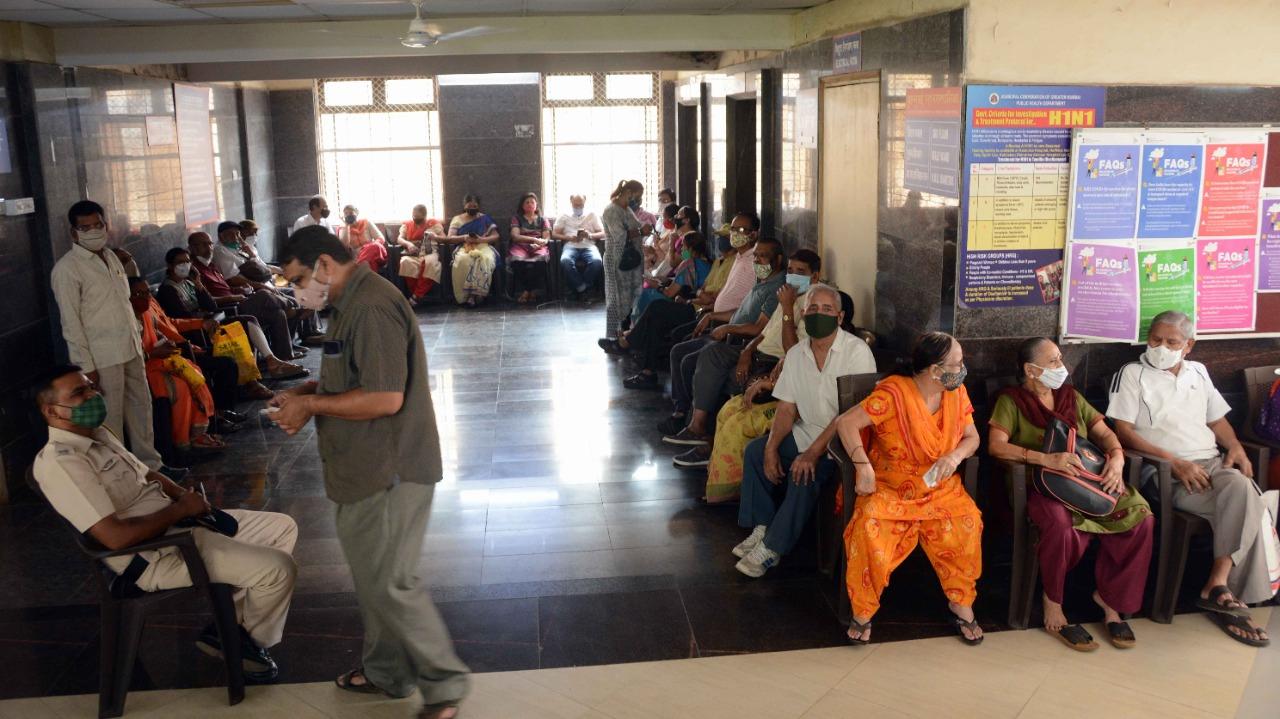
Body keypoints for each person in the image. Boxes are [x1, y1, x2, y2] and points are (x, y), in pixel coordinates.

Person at [270, 226, 469, 718]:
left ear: (323, 265)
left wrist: (312, 404)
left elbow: (385, 397)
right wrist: (309, 390)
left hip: (390, 468)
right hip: (362, 467)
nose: (298, 293)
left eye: (297, 280)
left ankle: (445, 689)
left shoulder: (370, 306)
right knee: (373, 577)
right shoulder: (348, 303)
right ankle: (387, 672)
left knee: (392, 582)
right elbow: (356, 376)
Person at [32, 366, 298, 683]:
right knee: (278, 568)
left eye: (91, 388)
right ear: (52, 410)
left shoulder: (98, 435)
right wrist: (178, 512)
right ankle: (246, 643)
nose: (93, 396)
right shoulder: (62, 462)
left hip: (180, 525)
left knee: (282, 527)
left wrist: (185, 498)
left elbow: (145, 474)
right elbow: (115, 538)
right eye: (79, 393)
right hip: (154, 556)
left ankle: (232, 631)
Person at [1108, 310, 1274, 646]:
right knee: (1249, 503)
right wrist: (1176, 463)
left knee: (1240, 487)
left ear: (1189, 346)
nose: (1161, 347)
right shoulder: (1132, 373)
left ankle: (1218, 582)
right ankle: (1232, 595)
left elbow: (1218, 421)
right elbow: (1123, 432)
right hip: (1167, 473)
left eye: (1171, 342)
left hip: (1211, 465)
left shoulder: (1199, 372)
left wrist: (1236, 447)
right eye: (1156, 339)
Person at [988, 337, 1153, 651]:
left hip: (1088, 481)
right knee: (1060, 526)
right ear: (1030, 370)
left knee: (1140, 515)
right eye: (1052, 361)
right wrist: (1045, 459)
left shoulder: (1071, 397)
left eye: (1060, 359)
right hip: (1043, 486)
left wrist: (1117, 458)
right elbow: (996, 446)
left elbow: (1104, 433)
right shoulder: (1011, 401)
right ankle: (1053, 599)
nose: (1060, 367)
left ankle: (1109, 598)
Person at [836, 332, 984, 646]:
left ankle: (960, 601)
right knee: (868, 526)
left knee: (967, 519)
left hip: (939, 487)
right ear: (934, 370)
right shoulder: (893, 395)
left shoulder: (956, 392)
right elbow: (846, 423)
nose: (963, 368)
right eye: (957, 363)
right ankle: (862, 610)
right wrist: (862, 465)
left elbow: (973, 438)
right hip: (889, 488)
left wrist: (954, 456)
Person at [732, 285, 875, 577]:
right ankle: (764, 527)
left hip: (846, 442)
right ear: (802, 314)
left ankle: (774, 547)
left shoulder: (856, 352)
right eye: (811, 309)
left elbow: (847, 417)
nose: (817, 315)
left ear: (840, 316)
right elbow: (787, 408)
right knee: (756, 453)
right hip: (807, 430)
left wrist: (811, 453)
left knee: (803, 472)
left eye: (826, 310)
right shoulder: (797, 354)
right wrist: (772, 448)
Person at [673, 250, 821, 468]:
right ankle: (697, 427)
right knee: (711, 354)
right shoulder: (788, 293)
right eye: (790, 270)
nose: (792, 275)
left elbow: (793, 351)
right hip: (756, 351)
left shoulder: (811, 302)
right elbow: (764, 332)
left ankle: (711, 446)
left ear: (815, 277)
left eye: (801, 272)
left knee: (721, 380)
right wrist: (747, 351)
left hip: (775, 362)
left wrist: (788, 308)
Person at [51, 200, 166, 473]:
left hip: (130, 347)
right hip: (100, 356)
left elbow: (125, 302)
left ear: (106, 225)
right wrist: (85, 367)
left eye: (98, 225)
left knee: (141, 409)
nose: (93, 231)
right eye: (85, 227)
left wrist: (137, 337)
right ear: (73, 232)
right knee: (110, 418)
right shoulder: (67, 270)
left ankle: (151, 468)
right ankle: (123, 474)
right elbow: (71, 322)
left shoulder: (112, 257)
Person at [660, 237, 787, 430]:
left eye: (763, 257)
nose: (757, 261)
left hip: (739, 339)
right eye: (756, 256)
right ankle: (682, 411)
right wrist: (712, 316)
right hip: (726, 329)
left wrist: (727, 328)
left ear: (777, 260)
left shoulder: (777, 288)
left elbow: (759, 327)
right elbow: (738, 313)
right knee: (679, 348)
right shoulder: (762, 280)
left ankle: (694, 420)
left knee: (689, 361)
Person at [654, 211, 762, 434]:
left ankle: (690, 418)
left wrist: (714, 315)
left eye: (741, 230)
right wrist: (710, 310)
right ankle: (682, 411)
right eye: (733, 230)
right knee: (678, 346)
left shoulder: (755, 262)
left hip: (730, 328)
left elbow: (750, 314)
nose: (734, 235)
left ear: (754, 234)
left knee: (685, 354)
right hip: (715, 317)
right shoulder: (737, 259)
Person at [156, 247, 306, 384]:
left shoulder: (189, 283)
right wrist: (203, 319)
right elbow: (182, 317)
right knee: (261, 299)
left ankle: (274, 360)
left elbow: (211, 306)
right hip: (198, 331)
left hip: (212, 320)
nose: (185, 265)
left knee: (257, 318)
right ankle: (292, 311)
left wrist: (199, 284)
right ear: (170, 266)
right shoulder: (168, 289)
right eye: (180, 262)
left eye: (187, 261)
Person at [129, 278, 226, 452]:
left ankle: (199, 432)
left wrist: (172, 344)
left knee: (193, 373)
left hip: (161, 362)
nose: (145, 297)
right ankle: (182, 440)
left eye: (147, 293)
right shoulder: (124, 321)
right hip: (144, 369)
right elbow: (130, 355)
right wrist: (152, 353)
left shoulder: (146, 312)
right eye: (138, 294)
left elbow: (163, 330)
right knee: (180, 387)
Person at [189, 231, 298, 362]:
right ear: (193, 248)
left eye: (210, 244)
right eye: (204, 245)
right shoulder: (195, 271)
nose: (209, 248)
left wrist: (238, 290)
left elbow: (226, 288)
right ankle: (293, 308)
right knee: (264, 293)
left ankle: (284, 356)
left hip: (238, 300)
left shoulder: (211, 265)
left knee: (277, 313)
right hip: (228, 310)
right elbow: (207, 299)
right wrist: (233, 298)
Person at [601, 180, 652, 339]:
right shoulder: (611, 211)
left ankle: (630, 333)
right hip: (617, 259)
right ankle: (616, 335)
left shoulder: (627, 208)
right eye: (637, 196)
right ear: (628, 192)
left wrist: (643, 229)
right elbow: (620, 235)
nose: (638, 200)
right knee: (617, 297)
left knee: (633, 294)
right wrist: (640, 230)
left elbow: (633, 227)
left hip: (633, 259)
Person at [630, 231, 711, 325]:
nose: (681, 250)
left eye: (684, 247)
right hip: (693, 301)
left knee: (645, 294)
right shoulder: (707, 263)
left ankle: (635, 328)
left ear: (692, 249)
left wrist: (656, 285)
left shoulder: (688, 264)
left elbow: (669, 293)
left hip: (688, 305)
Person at [446, 194, 500, 307]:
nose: (472, 208)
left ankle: (477, 294)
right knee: (463, 260)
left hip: (483, 245)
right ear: (464, 206)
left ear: (479, 206)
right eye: (470, 205)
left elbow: (496, 236)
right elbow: (450, 238)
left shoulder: (485, 218)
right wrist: (464, 237)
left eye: (475, 205)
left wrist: (481, 239)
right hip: (464, 247)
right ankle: (466, 295)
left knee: (485, 259)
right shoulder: (457, 219)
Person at [552, 194, 605, 301]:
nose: (578, 207)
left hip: (589, 245)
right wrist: (568, 237)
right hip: (571, 245)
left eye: (581, 205)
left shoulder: (592, 215)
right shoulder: (564, 215)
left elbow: (603, 233)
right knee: (565, 261)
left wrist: (589, 235)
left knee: (597, 261)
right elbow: (554, 234)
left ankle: (578, 288)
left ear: (585, 202)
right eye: (576, 205)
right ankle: (583, 289)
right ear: (571, 202)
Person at [396, 204, 446, 304]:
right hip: (414, 254)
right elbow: (399, 239)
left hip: (430, 253)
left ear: (425, 216)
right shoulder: (407, 224)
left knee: (430, 263)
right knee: (405, 262)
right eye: (414, 217)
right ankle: (417, 295)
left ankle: (416, 296)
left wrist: (435, 236)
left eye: (418, 217)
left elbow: (444, 238)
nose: (415, 219)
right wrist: (408, 244)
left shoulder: (433, 224)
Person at [507, 192, 552, 304]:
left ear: (536, 204)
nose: (530, 204)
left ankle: (526, 292)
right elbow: (515, 236)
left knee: (541, 261)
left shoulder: (543, 219)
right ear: (522, 206)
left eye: (532, 202)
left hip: (538, 246)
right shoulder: (516, 218)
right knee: (516, 261)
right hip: (521, 245)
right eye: (527, 202)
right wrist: (532, 240)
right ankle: (530, 292)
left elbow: (546, 238)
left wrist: (540, 243)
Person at [337, 205, 388, 274]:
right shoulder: (343, 228)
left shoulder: (366, 222)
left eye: (351, 213)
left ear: (357, 213)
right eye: (346, 214)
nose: (348, 215)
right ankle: (368, 279)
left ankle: (360, 272)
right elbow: (344, 246)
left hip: (375, 251)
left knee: (374, 247)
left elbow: (381, 238)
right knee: (370, 262)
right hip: (358, 256)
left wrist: (367, 247)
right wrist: (346, 226)